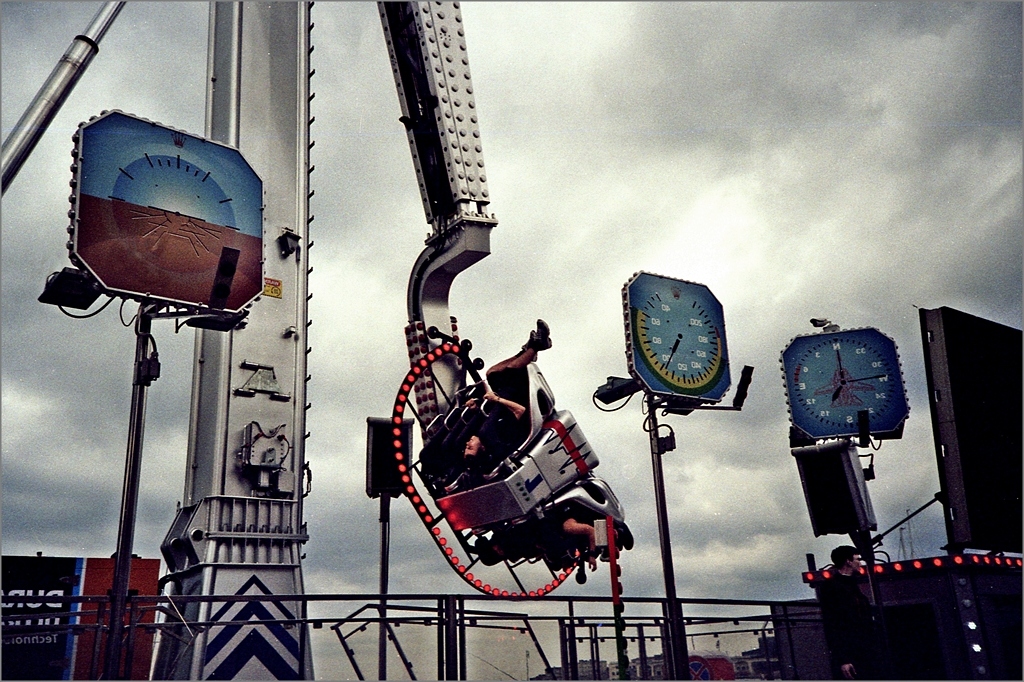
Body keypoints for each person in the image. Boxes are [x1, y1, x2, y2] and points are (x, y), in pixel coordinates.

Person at [818, 545, 881, 680]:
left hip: (862, 649)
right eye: (857, 559)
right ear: (848, 561)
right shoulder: (833, 588)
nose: (860, 563)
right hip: (853, 651)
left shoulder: (849, 585)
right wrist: (843, 659)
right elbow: (833, 623)